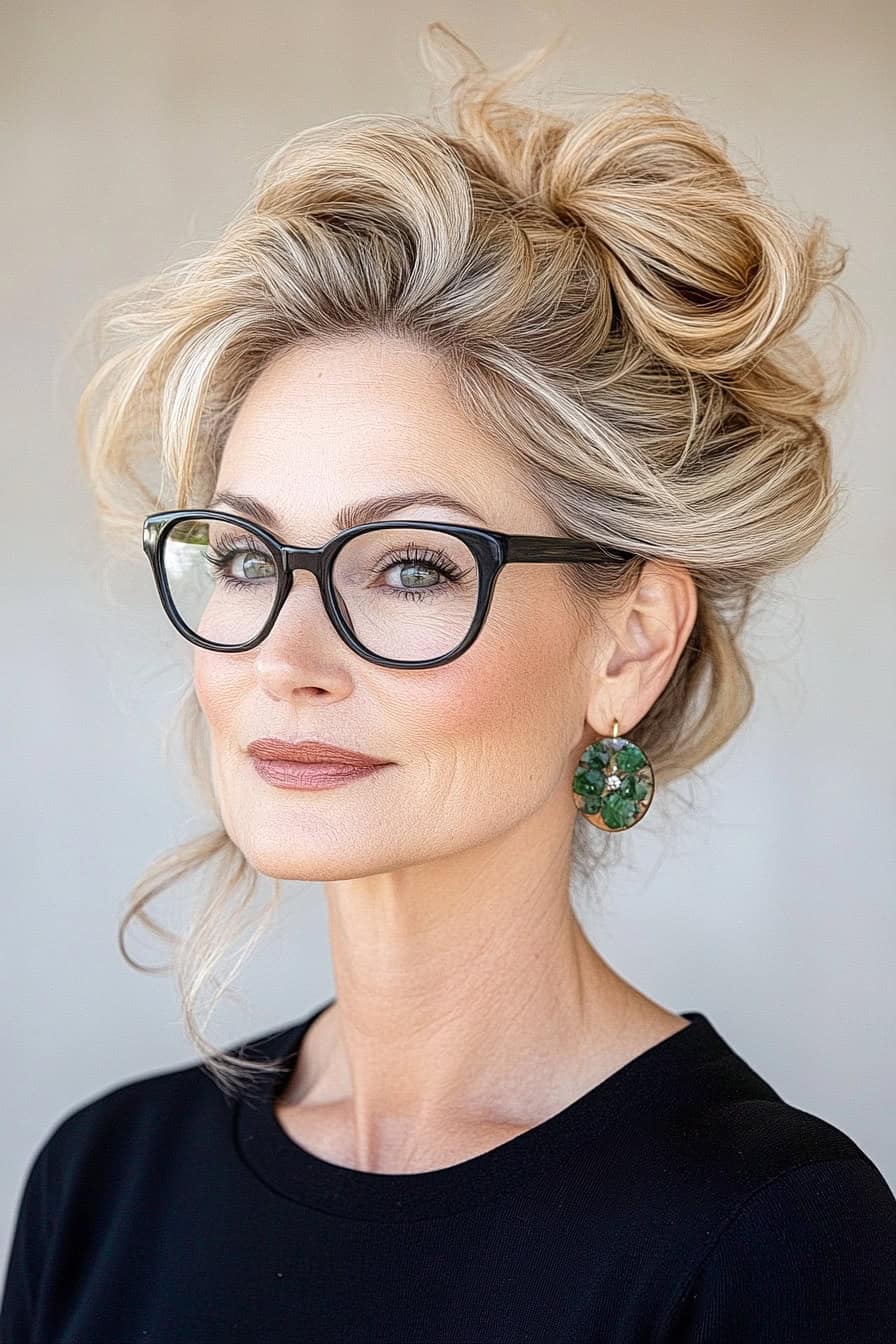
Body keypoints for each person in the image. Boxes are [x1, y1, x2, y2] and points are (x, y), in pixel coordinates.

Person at [3, 21, 894, 1343]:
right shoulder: (102, 1181)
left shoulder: (768, 1239)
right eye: (247, 557)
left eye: (410, 569)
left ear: (629, 644)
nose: (283, 660)